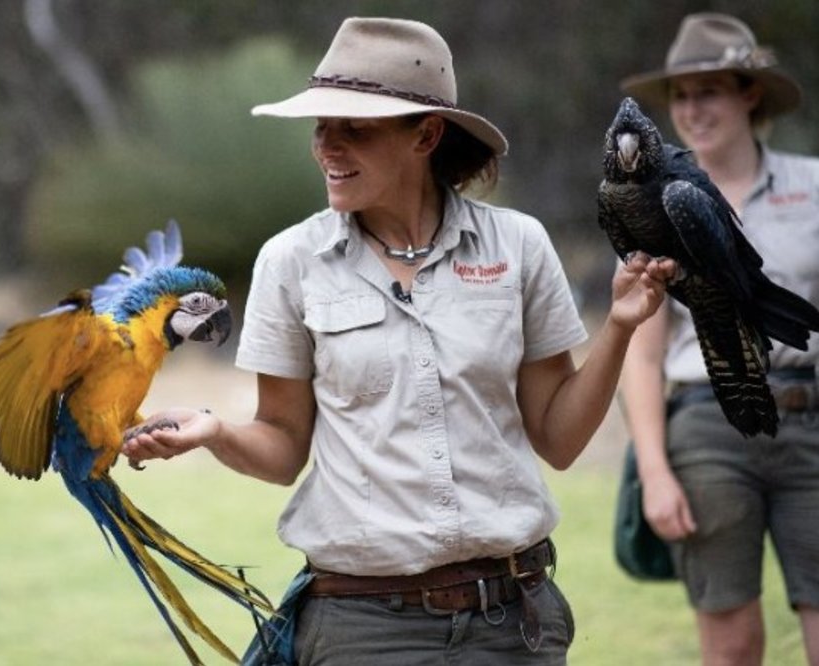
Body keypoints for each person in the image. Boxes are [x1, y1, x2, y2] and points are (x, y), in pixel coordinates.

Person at [124, 17, 673, 665]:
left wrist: (620, 327)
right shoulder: (291, 262)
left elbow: (559, 439)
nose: (327, 147)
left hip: (512, 623)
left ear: (427, 135)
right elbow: (281, 447)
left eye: (354, 129)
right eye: (321, 127)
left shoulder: (518, 245)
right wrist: (214, 431)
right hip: (362, 627)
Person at [617, 12, 819, 666]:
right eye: (680, 96)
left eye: (708, 92)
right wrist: (654, 472)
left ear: (749, 93)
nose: (691, 110)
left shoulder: (813, 188)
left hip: (811, 419)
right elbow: (643, 355)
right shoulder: (647, 201)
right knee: (731, 647)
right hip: (708, 426)